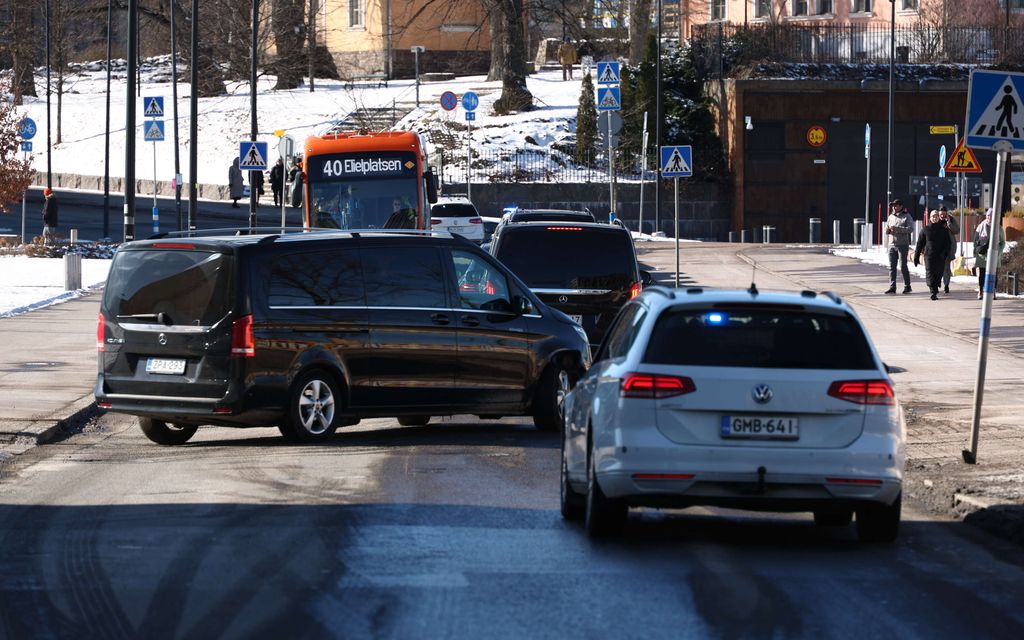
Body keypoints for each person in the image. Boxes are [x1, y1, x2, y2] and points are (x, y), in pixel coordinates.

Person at [914, 210, 952, 300]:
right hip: (929, 256)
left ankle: (935, 287)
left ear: (939, 218)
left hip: (940, 256)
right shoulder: (925, 229)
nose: (935, 218)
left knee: (938, 273)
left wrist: (945, 254)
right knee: (930, 272)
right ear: (930, 218)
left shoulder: (944, 230)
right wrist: (916, 256)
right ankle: (933, 291)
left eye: (936, 217)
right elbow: (919, 244)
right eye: (933, 217)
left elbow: (948, 243)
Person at [973, 209, 1007, 300]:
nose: (989, 217)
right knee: (982, 275)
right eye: (988, 215)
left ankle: (993, 292)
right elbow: (975, 240)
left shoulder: (999, 228)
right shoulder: (981, 226)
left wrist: (998, 252)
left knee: (993, 275)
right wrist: (976, 250)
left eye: (991, 216)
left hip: (994, 255)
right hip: (982, 256)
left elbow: (1003, 242)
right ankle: (981, 291)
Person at [884, 199, 914, 294]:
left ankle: (907, 286)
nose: (894, 207)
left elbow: (910, 229)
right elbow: (886, 227)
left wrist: (898, 229)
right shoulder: (890, 217)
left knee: (903, 266)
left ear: (901, 206)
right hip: (891, 245)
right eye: (893, 206)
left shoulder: (906, 216)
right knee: (891, 267)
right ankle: (892, 286)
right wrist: (887, 230)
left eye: (896, 205)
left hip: (902, 245)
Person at [939, 207, 959, 294]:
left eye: (944, 214)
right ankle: (936, 283)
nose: (942, 216)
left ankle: (946, 285)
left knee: (946, 268)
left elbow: (956, 230)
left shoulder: (951, 219)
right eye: (941, 214)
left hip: (948, 248)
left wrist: (949, 223)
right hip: (938, 248)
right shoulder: (935, 219)